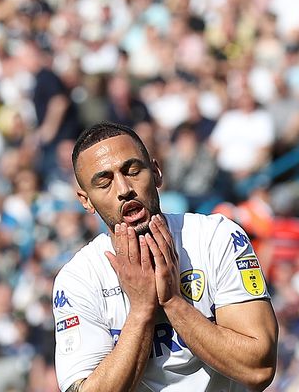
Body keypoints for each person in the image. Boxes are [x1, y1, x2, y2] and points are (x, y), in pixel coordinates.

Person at [53, 121, 278, 391]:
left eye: (133, 170)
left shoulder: (216, 237)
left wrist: (173, 302)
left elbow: (259, 368)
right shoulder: (78, 279)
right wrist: (141, 311)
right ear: (85, 200)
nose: (124, 189)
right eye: (104, 182)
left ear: (157, 172)